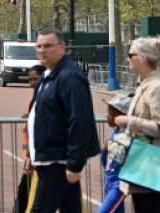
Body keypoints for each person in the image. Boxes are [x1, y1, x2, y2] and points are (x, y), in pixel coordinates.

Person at [23, 28, 99, 213]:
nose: (42, 50)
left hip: (57, 161)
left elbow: (79, 120)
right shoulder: (46, 77)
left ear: (62, 47)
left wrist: (74, 163)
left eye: (48, 45)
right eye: (39, 46)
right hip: (48, 158)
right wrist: (31, 155)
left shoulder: (70, 76)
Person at [114, 37, 160, 212]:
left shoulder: (157, 87)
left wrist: (130, 121)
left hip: (150, 165)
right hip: (140, 162)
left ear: (143, 58)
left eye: (131, 55)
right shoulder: (144, 84)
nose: (128, 59)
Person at [14, 64, 46, 213]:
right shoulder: (35, 98)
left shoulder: (46, 97)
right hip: (32, 159)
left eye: (36, 78)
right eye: (30, 79)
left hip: (41, 159)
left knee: (26, 197)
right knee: (24, 196)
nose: (32, 82)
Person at [99, 95, 132, 213]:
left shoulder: (129, 137)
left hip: (118, 187)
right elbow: (106, 161)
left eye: (111, 113)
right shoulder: (113, 134)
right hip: (109, 184)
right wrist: (104, 150)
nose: (108, 116)